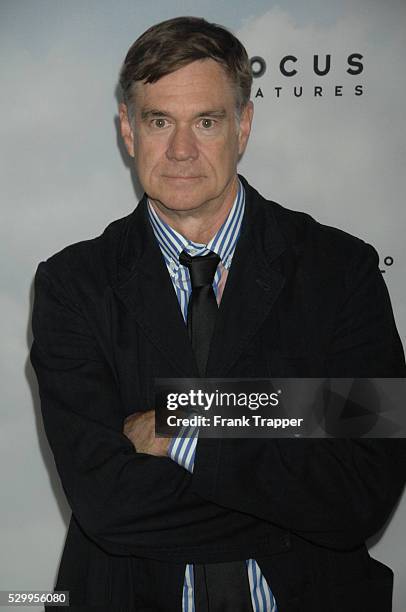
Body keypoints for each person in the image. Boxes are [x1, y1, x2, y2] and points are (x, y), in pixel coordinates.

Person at [30, 16, 405, 612]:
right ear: (128, 130)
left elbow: (364, 492)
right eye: (159, 121)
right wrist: (289, 431)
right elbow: (107, 507)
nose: (181, 150)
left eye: (206, 121)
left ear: (244, 126)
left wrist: (184, 420)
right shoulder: (72, 285)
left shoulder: (341, 270)